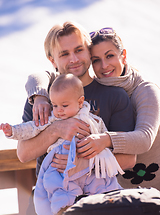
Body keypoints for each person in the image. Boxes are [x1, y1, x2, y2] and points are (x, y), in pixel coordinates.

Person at [17, 21, 135, 215]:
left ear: (88, 51)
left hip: (100, 206)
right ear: (52, 60)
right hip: (50, 204)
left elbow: (128, 159)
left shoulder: (115, 96)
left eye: (79, 50)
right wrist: (56, 130)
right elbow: (23, 154)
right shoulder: (42, 99)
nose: (73, 59)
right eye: (64, 53)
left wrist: (84, 161)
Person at [26, 26, 160, 190]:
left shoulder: (140, 90)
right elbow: (43, 76)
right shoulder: (53, 92)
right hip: (60, 193)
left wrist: (103, 142)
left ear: (123, 56)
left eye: (110, 56)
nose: (104, 65)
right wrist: (40, 97)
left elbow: (143, 140)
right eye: (96, 59)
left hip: (148, 189)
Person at [0, 73, 123, 215]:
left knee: (100, 183)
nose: (59, 110)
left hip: (88, 167)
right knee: (59, 186)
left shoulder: (93, 120)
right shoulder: (52, 119)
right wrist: (12, 131)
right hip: (61, 166)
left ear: (80, 102)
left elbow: (105, 141)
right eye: (55, 105)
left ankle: (104, 210)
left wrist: (100, 150)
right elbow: (31, 128)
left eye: (64, 105)